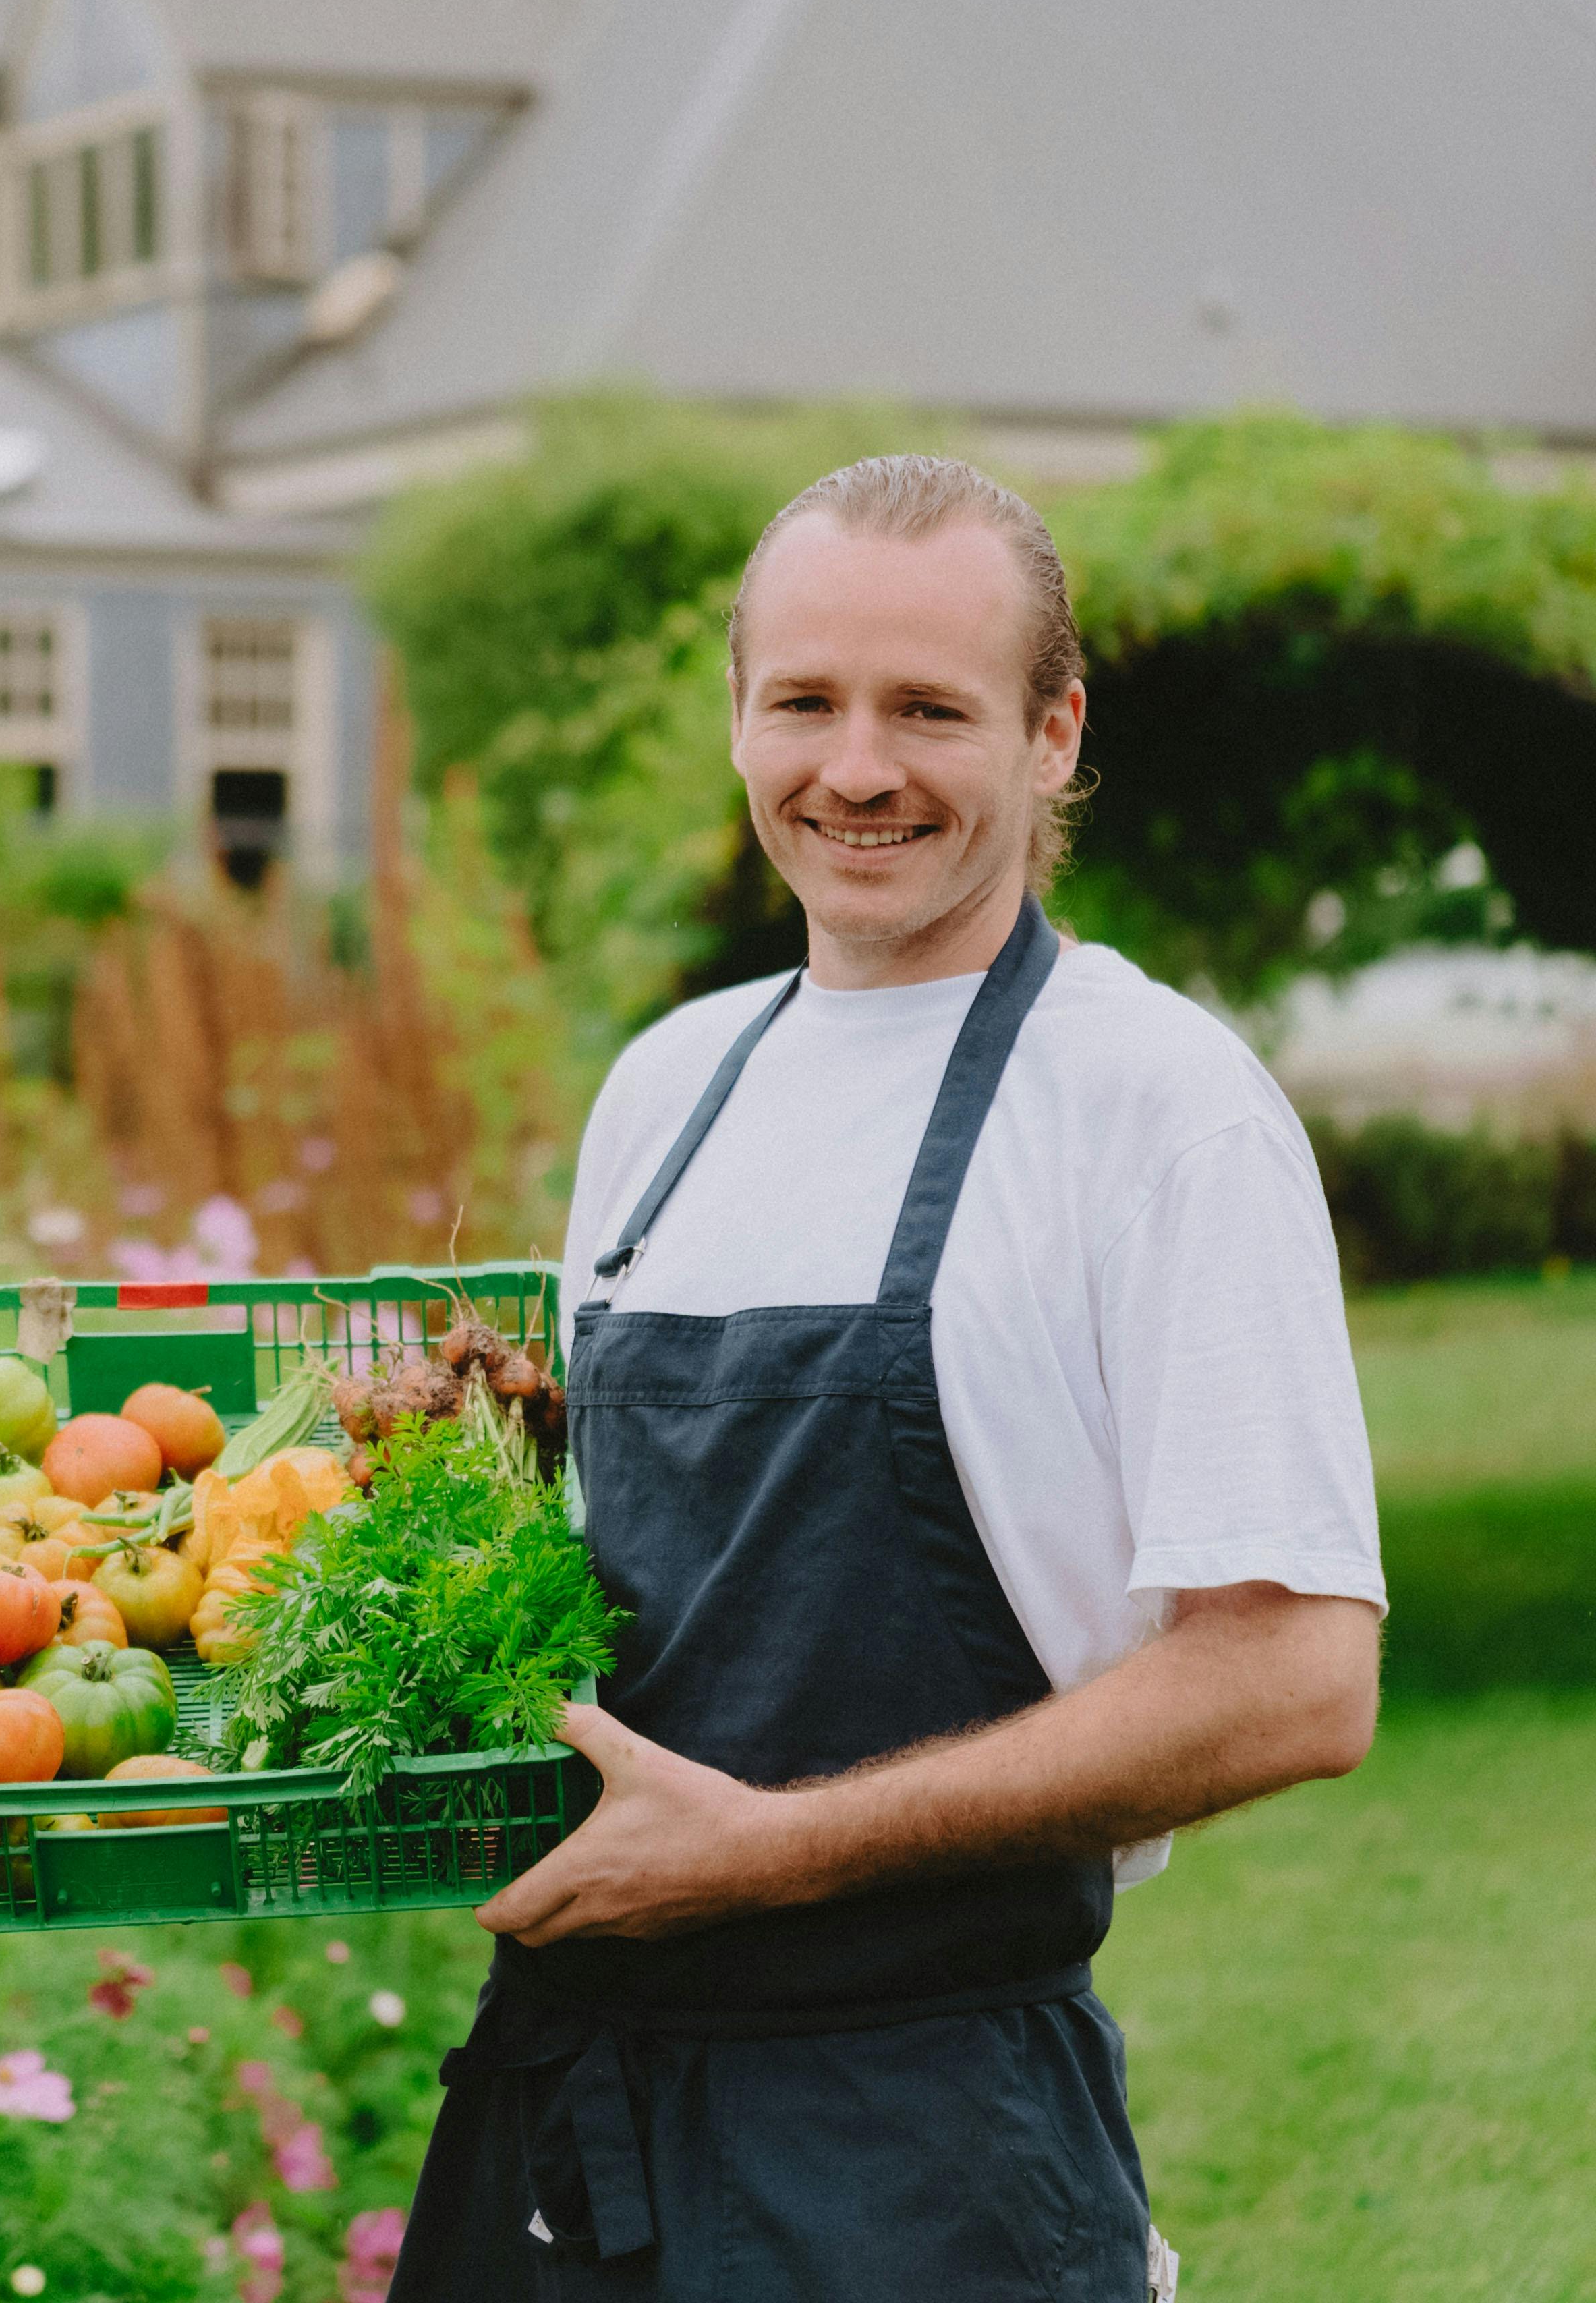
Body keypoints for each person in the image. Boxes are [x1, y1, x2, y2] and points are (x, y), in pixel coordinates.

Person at [391, 456, 1386, 2301]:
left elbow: (1299, 1677)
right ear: (741, 719)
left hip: (918, 2157)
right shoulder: (668, 1087)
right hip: (576, 2135)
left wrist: (776, 1852)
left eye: (930, 708)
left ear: (1053, 731)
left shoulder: (1156, 1112)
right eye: (806, 704)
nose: (858, 771)